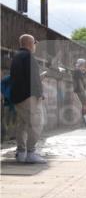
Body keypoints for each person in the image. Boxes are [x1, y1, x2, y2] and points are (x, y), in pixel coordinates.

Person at [11, 34, 46, 163]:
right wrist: (40, 93)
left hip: (18, 96)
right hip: (29, 96)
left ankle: (21, 153)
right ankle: (31, 152)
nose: (35, 46)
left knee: (22, 124)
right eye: (35, 43)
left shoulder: (17, 56)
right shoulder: (28, 56)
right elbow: (33, 78)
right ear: (30, 43)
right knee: (36, 123)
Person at [73, 58, 86, 128]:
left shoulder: (79, 70)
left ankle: (85, 120)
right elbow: (79, 81)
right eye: (84, 64)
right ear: (81, 64)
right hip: (80, 90)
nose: (84, 65)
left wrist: (84, 70)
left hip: (80, 90)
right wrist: (82, 91)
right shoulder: (77, 71)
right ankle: (84, 120)